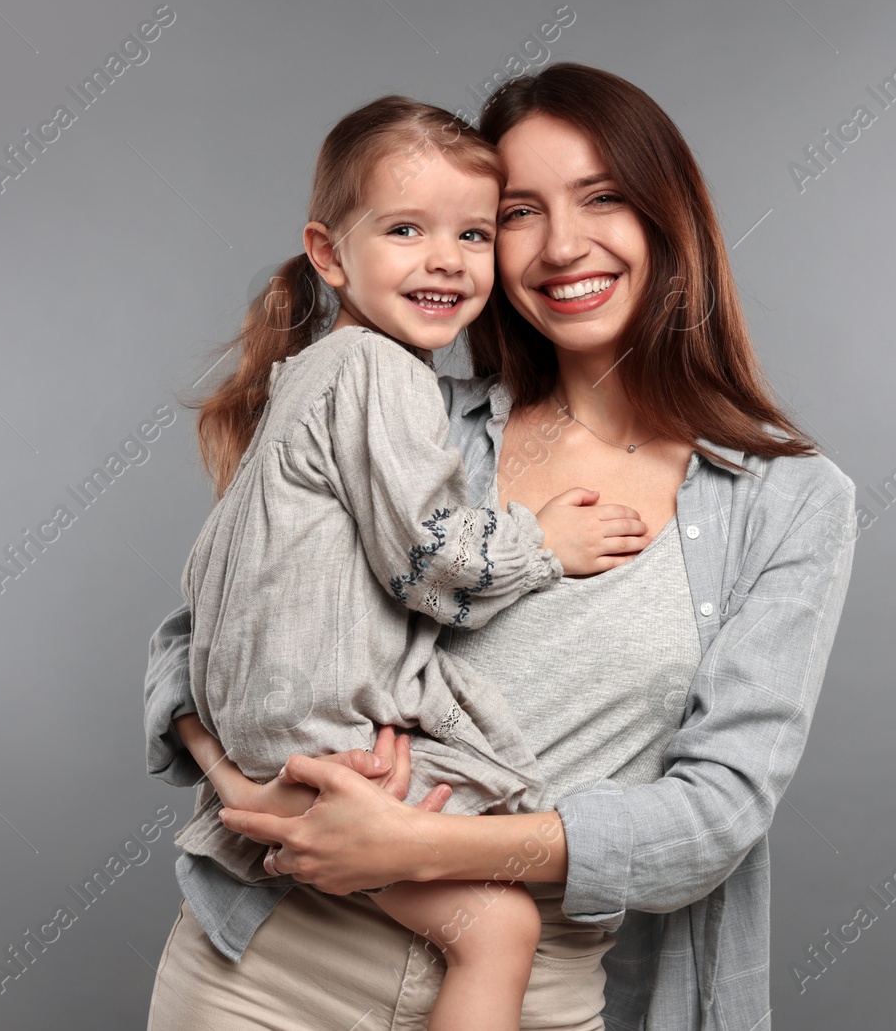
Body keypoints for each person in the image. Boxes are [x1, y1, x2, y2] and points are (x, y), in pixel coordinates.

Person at [144, 63, 859, 1031]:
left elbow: (715, 814)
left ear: (665, 216)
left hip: (525, 987)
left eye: (601, 197)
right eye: (519, 211)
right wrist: (248, 788)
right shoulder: (406, 416)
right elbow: (203, 632)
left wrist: (413, 848)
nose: (564, 245)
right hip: (270, 969)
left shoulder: (785, 502)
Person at [168, 94, 650, 1031]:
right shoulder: (380, 375)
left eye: (472, 232)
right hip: (324, 742)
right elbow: (433, 564)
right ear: (329, 253)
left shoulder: (310, 375)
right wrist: (542, 542)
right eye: (405, 229)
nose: (445, 259)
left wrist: (231, 761)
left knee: (496, 892)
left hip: (275, 734)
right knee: (504, 923)